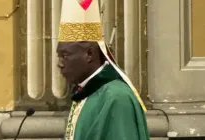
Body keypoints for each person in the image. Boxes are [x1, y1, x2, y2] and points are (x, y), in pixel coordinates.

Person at [56, 0, 150, 139]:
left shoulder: (116, 97)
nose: (60, 64)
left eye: (65, 56)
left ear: (89, 54)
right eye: (59, 56)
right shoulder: (85, 93)